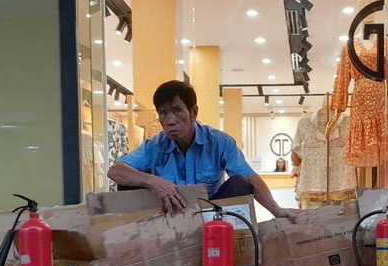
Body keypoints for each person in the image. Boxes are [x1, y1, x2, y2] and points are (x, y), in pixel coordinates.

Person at [108, 80, 302, 222]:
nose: (170, 120)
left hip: (210, 217)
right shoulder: (155, 146)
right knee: (126, 184)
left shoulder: (219, 141)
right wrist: (153, 181)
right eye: (163, 113)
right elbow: (115, 171)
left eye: (177, 111)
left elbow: (249, 178)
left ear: (193, 113)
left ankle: (228, 239)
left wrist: (277, 210)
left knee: (240, 183)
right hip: (168, 217)